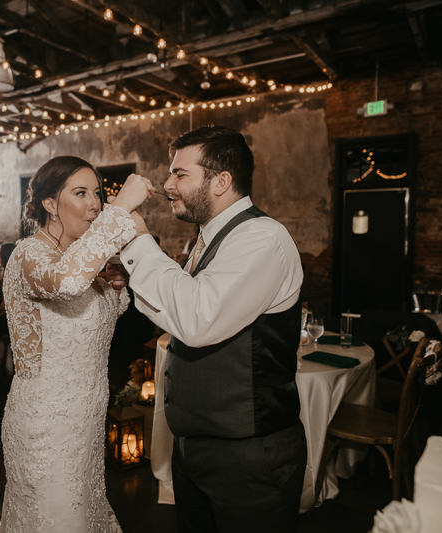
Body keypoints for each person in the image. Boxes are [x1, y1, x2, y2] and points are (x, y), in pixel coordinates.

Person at [120, 125, 307, 532]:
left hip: (249, 456)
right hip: (196, 448)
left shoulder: (263, 238)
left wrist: (138, 242)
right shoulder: (207, 240)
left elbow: (197, 319)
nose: (168, 184)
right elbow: (175, 311)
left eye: (180, 174)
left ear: (222, 181)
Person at [0, 156, 153, 532]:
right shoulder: (29, 255)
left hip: (85, 419)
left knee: (84, 512)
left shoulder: (81, 258)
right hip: (46, 423)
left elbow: (91, 321)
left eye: (98, 194)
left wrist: (113, 287)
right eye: (80, 193)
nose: (95, 203)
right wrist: (119, 211)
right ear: (50, 204)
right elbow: (67, 285)